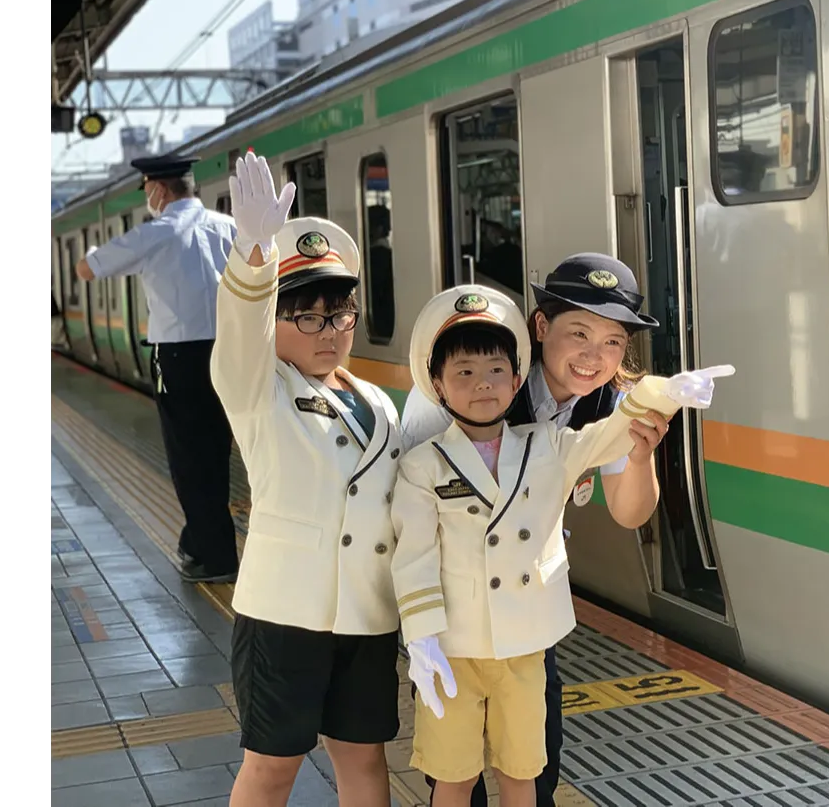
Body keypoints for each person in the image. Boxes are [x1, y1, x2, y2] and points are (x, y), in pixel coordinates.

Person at [390, 283, 731, 807]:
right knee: (452, 775)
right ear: (436, 384)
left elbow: (609, 437)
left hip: (526, 642)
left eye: (496, 371)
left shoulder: (546, 445)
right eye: (463, 373)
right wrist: (420, 638)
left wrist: (659, 394)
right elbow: (412, 555)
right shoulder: (421, 463)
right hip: (454, 645)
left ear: (517, 376)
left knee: (526, 770)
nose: (483, 384)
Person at [212, 152, 404, 807]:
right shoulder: (256, 388)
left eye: (341, 314)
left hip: (367, 613)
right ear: (275, 324)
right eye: (310, 317)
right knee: (272, 766)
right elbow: (239, 329)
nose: (332, 332)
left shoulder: (377, 401)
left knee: (366, 761)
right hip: (284, 614)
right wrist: (253, 257)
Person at [75, 152, 240, 584]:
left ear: (159, 189)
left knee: (189, 456)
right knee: (218, 450)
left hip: (180, 359)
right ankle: (201, 540)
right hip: (230, 352)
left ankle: (213, 555)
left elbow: (86, 269)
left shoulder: (156, 233)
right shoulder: (228, 228)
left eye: (147, 188)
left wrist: (95, 250)